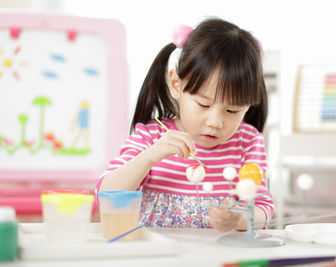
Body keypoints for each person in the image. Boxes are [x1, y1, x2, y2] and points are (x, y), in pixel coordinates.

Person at [96, 17, 273, 232]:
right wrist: (151, 156)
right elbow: (105, 196)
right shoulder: (151, 137)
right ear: (176, 84)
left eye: (232, 110)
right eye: (203, 104)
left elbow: (263, 206)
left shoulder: (247, 142)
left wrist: (240, 219)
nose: (215, 122)